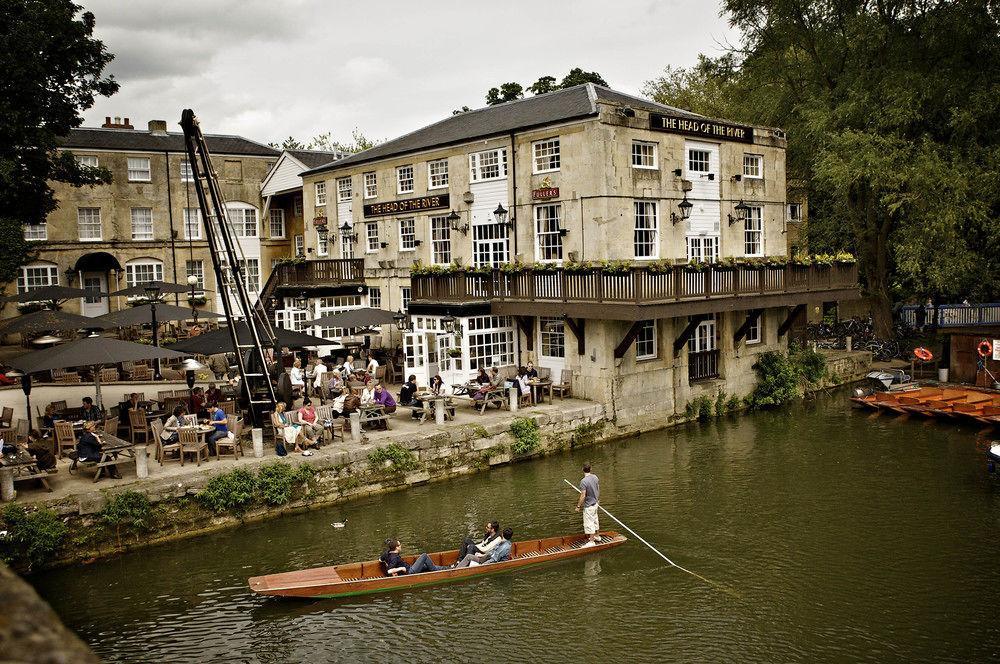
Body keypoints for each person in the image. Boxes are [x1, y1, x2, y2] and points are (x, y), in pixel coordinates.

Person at [380, 538, 445, 576]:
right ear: (396, 547)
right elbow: (388, 571)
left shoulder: (387, 553)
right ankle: (436, 572)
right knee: (424, 555)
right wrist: (401, 568)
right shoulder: (394, 558)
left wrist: (387, 563)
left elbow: (380, 560)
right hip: (410, 571)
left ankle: (449, 568)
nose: (401, 546)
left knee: (425, 566)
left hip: (410, 567)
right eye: (399, 545)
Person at [575, 462, 600, 547]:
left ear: (582, 470)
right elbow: (597, 489)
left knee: (589, 523)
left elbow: (583, 495)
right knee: (595, 520)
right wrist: (597, 499)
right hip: (596, 503)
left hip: (589, 506)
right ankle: (597, 536)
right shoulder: (595, 477)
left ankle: (592, 541)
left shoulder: (583, 481)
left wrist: (578, 506)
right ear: (591, 469)